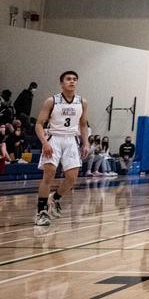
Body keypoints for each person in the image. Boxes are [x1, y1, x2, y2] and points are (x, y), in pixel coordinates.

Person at [34, 71, 90, 226]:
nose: (72, 81)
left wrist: (86, 143)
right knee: (49, 175)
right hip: (54, 138)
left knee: (72, 178)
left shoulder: (82, 102)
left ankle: (56, 198)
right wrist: (45, 143)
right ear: (61, 83)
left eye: (74, 79)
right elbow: (39, 124)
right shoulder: (52, 101)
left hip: (72, 139)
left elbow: (83, 124)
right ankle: (41, 212)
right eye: (68, 79)